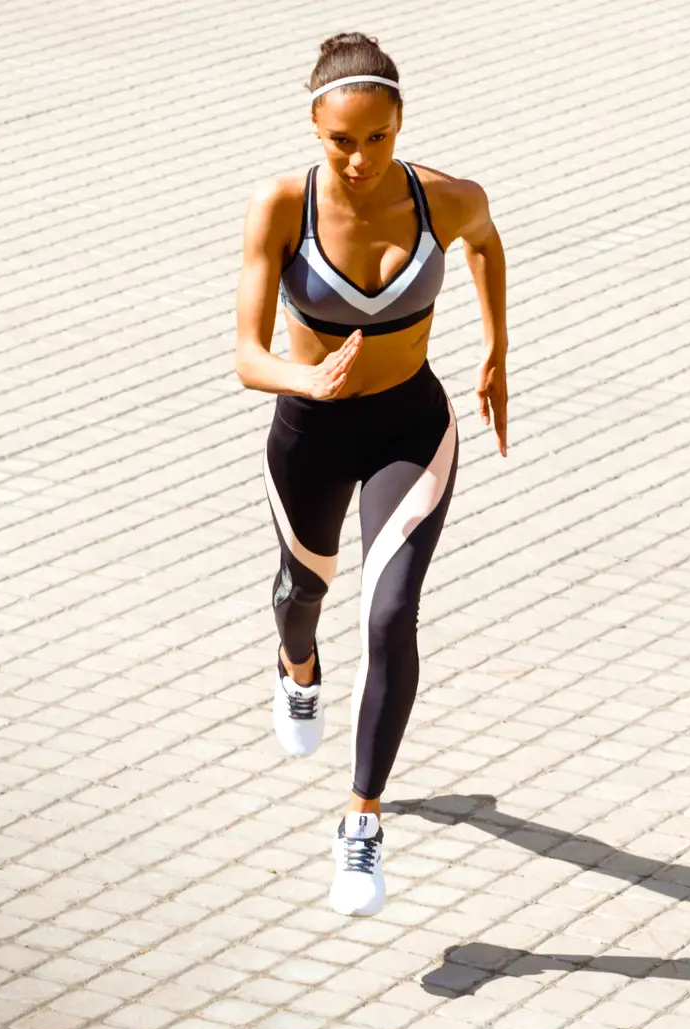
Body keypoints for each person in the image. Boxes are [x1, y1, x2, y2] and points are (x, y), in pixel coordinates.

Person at [234, 32, 508, 916]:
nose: (359, 160)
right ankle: (297, 667)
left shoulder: (446, 198)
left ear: (400, 123)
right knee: (301, 594)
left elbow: (485, 243)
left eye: (377, 138)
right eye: (340, 142)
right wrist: (303, 378)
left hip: (410, 429)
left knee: (390, 615)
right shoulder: (282, 206)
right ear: (315, 131)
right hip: (310, 431)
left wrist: (497, 349)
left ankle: (362, 818)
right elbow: (246, 355)